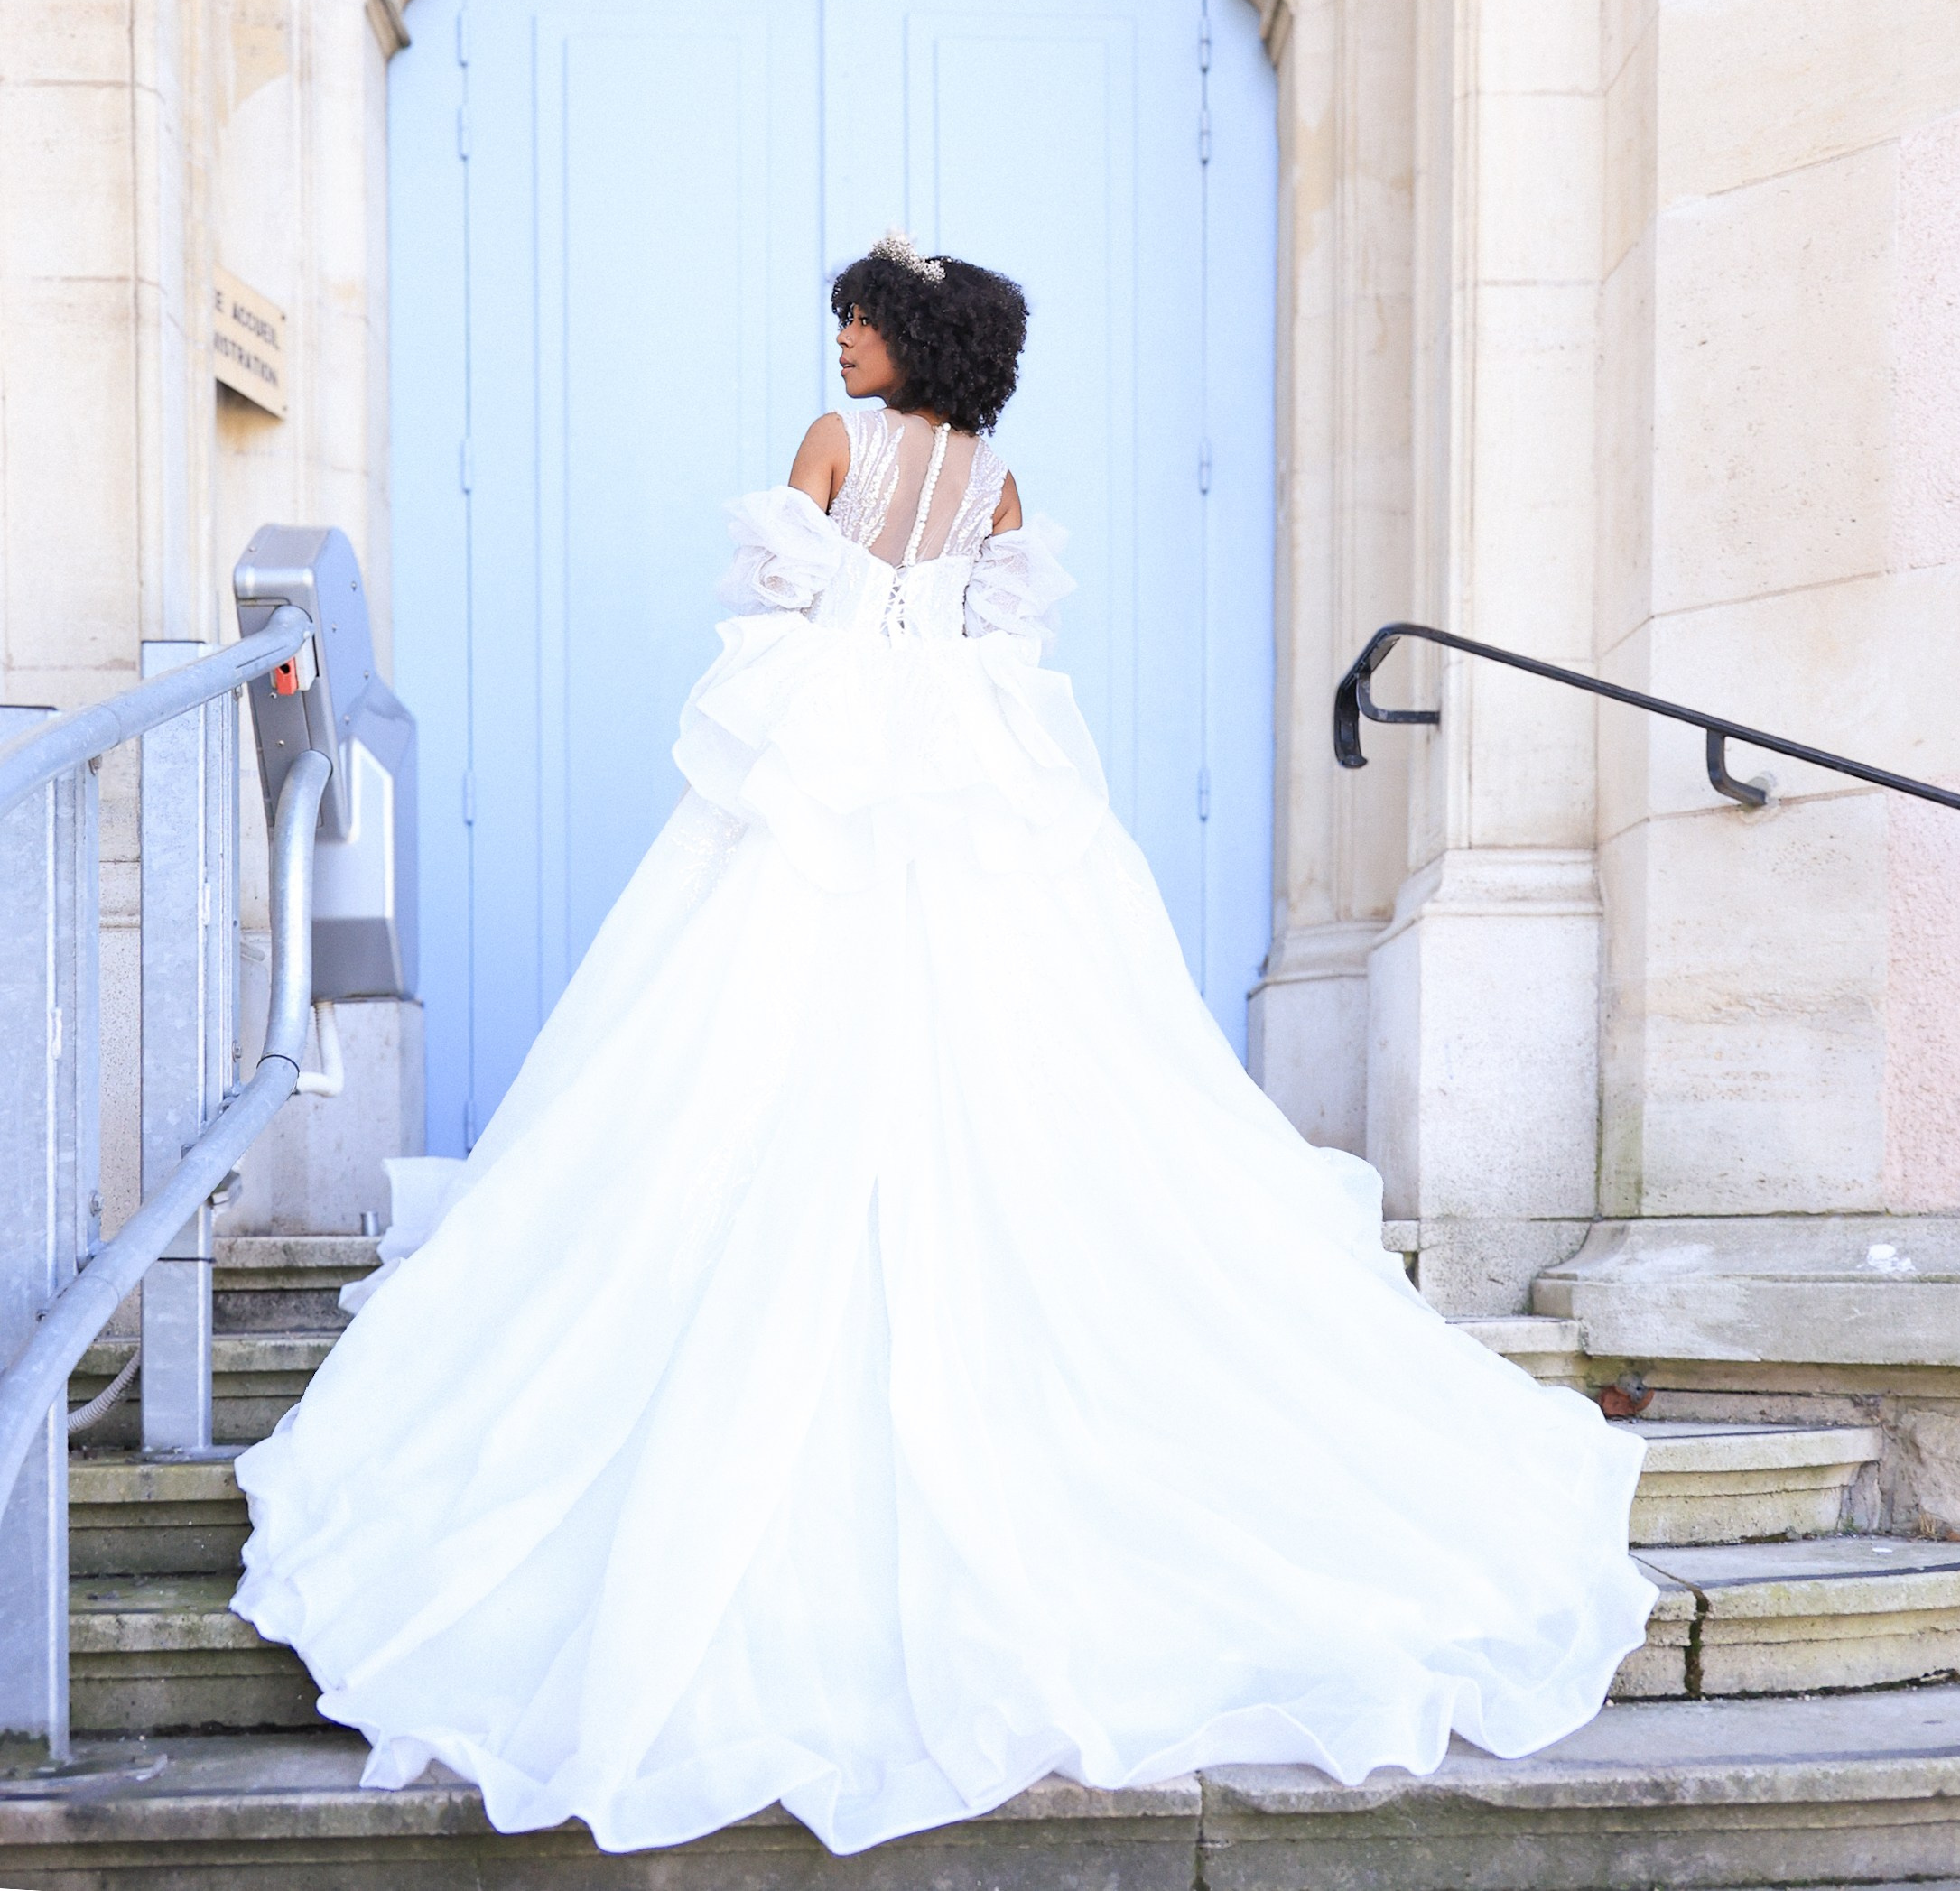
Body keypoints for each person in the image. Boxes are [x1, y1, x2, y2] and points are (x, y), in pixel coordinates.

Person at [234, 230, 1653, 1856]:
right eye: (840, 317)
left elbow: (776, 632)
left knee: (740, 1057)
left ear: (915, 334)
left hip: (827, 789)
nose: (838, 339)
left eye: (862, 315)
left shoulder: (832, 451)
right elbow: (1001, 658)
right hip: (963, 791)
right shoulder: (999, 487)